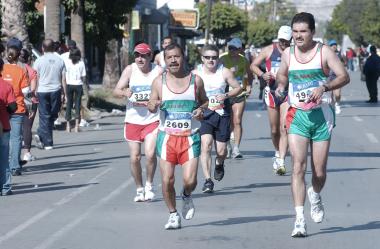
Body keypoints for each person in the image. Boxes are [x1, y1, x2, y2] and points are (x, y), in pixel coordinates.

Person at [275, 12, 350, 237]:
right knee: (298, 166)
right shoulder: (288, 53)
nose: (298, 36)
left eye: (303, 31)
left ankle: (315, 194)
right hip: (297, 115)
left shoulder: (323, 52)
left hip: (321, 116)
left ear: (312, 32)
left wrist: (324, 87)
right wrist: (280, 86)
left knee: (319, 171)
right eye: (295, 32)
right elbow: (282, 76)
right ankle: (299, 219)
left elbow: (344, 76)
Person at [148, 43, 208, 229]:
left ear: (183, 57)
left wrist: (200, 110)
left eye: (177, 56)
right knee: (167, 180)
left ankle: (187, 195)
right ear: (164, 60)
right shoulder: (159, 82)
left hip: (190, 138)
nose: (173, 60)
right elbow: (150, 105)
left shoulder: (195, 80)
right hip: (167, 138)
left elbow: (205, 102)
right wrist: (154, 104)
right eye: (169, 57)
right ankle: (173, 214)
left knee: (190, 180)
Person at [113, 43, 163, 202]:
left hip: (152, 119)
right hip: (133, 120)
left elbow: (168, 91)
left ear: (150, 56)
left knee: (149, 154)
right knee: (135, 157)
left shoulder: (159, 71)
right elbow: (116, 90)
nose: (140, 59)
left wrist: (159, 101)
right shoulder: (130, 70)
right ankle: (139, 188)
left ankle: (149, 185)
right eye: (137, 55)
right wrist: (124, 92)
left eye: (143, 55)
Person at [193, 45, 242, 193]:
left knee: (221, 151)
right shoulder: (196, 73)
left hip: (222, 114)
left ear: (218, 58)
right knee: (205, 145)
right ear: (202, 58)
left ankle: (219, 164)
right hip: (204, 113)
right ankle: (208, 180)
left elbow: (238, 87)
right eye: (207, 57)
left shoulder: (224, 71)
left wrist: (225, 95)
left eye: (214, 57)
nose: (211, 60)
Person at [251, 26, 292, 175]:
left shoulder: (294, 52)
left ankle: (281, 160)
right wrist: (262, 75)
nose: (283, 44)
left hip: (287, 93)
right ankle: (277, 151)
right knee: (274, 130)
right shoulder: (269, 50)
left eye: (286, 41)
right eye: (281, 41)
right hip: (272, 92)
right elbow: (253, 65)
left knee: (284, 128)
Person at [220, 37, 253, 159]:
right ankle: (227, 145)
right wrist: (229, 72)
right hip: (225, 94)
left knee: (237, 120)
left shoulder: (244, 60)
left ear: (239, 49)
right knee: (227, 122)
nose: (232, 51)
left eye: (234, 49)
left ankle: (236, 149)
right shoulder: (222, 59)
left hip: (239, 93)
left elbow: (249, 74)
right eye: (230, 48)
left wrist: (249, 85)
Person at [33, 39, 66, 150]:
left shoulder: (38, 61)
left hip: (43, 91)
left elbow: (35, 78)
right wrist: (64, 93)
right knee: (49, 115)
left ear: (42, 48)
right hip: (55, 91)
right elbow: (63, 79)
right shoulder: (60, 60)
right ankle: (48, 143)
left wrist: (35, 91)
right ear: (53, 48)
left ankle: (39, 133)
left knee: (47, 116)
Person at [2, 41, 29, 176]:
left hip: (3, 108)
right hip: (17, 108)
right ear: (18, 56)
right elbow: (26, 90)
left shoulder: (2, 69)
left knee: (3, 138)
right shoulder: (21, 71)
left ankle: (4, 165)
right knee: (16, 138)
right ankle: (14, 167)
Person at [0, 58, 17, 195]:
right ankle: (5, 187)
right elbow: (13, 106)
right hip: (4, 125)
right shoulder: (6, 86)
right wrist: (7, 114)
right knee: (4, 158)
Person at [19, 48, 38, 162]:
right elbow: (33, 90)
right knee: (27, 128)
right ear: (29, 59)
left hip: (14, 101)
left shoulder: (13, 69)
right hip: (29, 102)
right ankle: (27, 153)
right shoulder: (31, 71)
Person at [64, 47, 86, 132]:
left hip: (69, 85)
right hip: (78, 85)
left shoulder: (67, 62)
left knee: (68, 104)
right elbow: (84, 76)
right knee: (77, 105)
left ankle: (68, 126)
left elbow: (64, 75)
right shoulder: (81, 63)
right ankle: (76, 126)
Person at [328, 40, 346, 114]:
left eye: (335, 45)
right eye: (332, 45)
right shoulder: (327, 54)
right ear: (330, 46)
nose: (334, 46)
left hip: (337, 76)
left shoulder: (340, 54)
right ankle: (332, 106)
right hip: (328, 76)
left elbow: (345, 62)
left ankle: (337, 104)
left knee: (337, 94)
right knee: (330, 95)